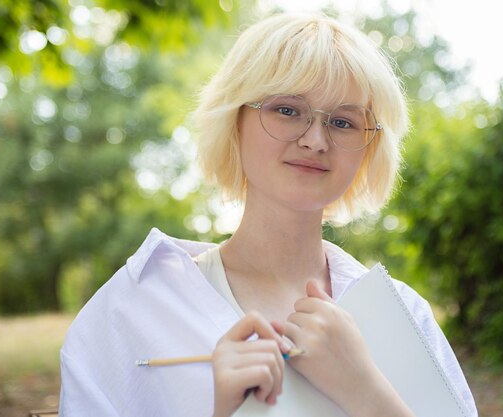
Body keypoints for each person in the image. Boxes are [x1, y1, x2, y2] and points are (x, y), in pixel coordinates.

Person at [59, 13, 478, 417]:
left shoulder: (405, 313)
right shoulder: (132, 308)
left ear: (369, 149)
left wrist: (364, 390)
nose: (315, 140)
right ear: (233, 120)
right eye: (287, 110)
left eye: (342, 121)